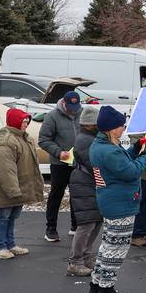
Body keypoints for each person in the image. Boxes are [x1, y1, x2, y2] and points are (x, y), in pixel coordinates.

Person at [87, 107, 146, 293]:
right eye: (122, 126)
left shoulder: (102, 146)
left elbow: (123, 162)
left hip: (111, 202)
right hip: (120, 204)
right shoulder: (108, 150)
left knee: (108, 245)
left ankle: (96, 285)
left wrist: (136, 147)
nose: (124, 128)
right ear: (112, 128)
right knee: (117, 248)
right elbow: (130, 171)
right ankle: (106, 289)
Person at [0, 107, 44, 260]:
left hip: (19, 187)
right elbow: (4, 170)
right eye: (23, 121)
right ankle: (0, 247)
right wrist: (13, 190)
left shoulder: (24, 138)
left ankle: (11, 244)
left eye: (27, 121)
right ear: (15, 122)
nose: (26, 124)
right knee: (3, 217)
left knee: (12, 217)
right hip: (8, 189)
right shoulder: (6, 142)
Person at [37, 90, 82, 243]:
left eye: (75, 108)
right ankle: (50, 229)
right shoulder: (52, 116)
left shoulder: (81, 114)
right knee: (56, 194)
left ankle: (75, 226)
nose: (72, 111)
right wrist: (58, 152)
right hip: (60, 163)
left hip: (77, 162)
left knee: (77, 194)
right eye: (70, 107)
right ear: (63, 103)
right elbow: (43, 140)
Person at [64, 106, 102, 276]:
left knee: (95, 222)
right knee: (86, 224)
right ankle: (75, 261)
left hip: (89, 184)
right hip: (84, 184)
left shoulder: (91, 138)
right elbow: (94, 164)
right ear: (90, 124)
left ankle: (86, 257)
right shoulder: (85, 140)